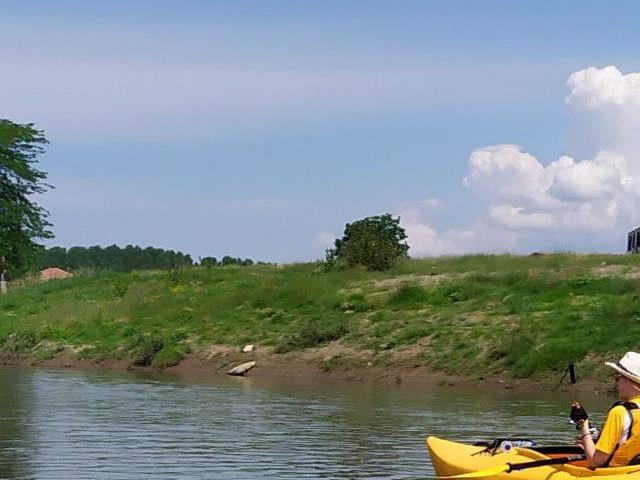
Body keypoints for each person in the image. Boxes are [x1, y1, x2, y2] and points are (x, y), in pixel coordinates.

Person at [572, 352, 640, 468]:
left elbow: (595, 462)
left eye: (618, 377)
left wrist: (583, 425)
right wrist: (591, 445)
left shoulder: (619, 412)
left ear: (630, 381)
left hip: (618, 473)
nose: (616, 382)